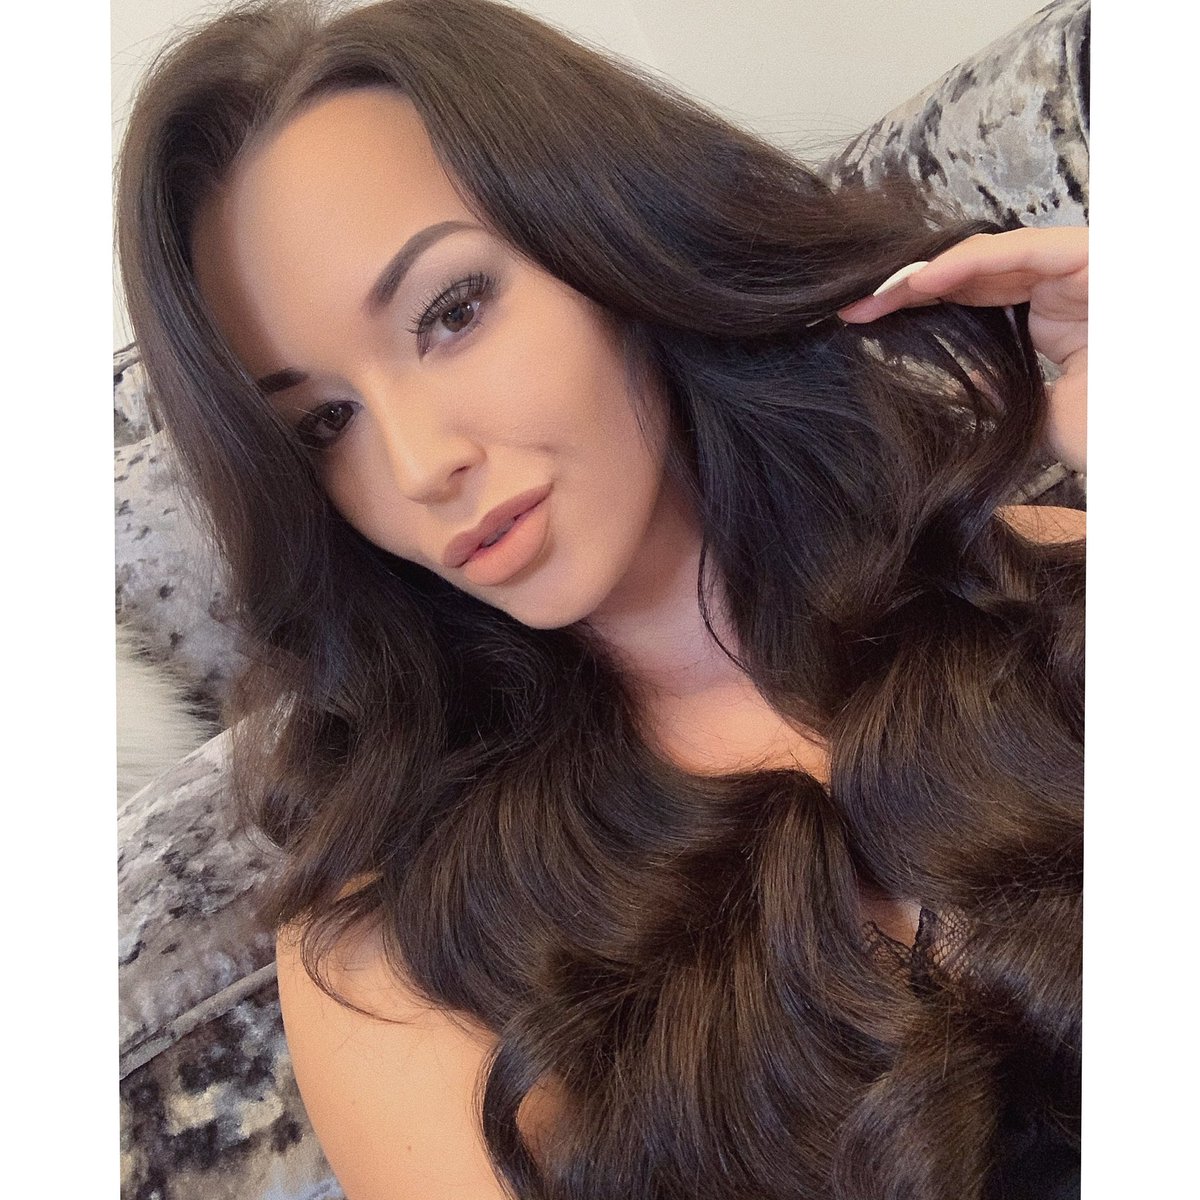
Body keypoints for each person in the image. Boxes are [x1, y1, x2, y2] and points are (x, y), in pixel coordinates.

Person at [116, 1, 1086, 1196]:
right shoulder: (386, 963)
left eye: (452, 313)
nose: (419, 465)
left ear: (613, 242)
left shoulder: (1040, 583)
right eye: (323, 424)